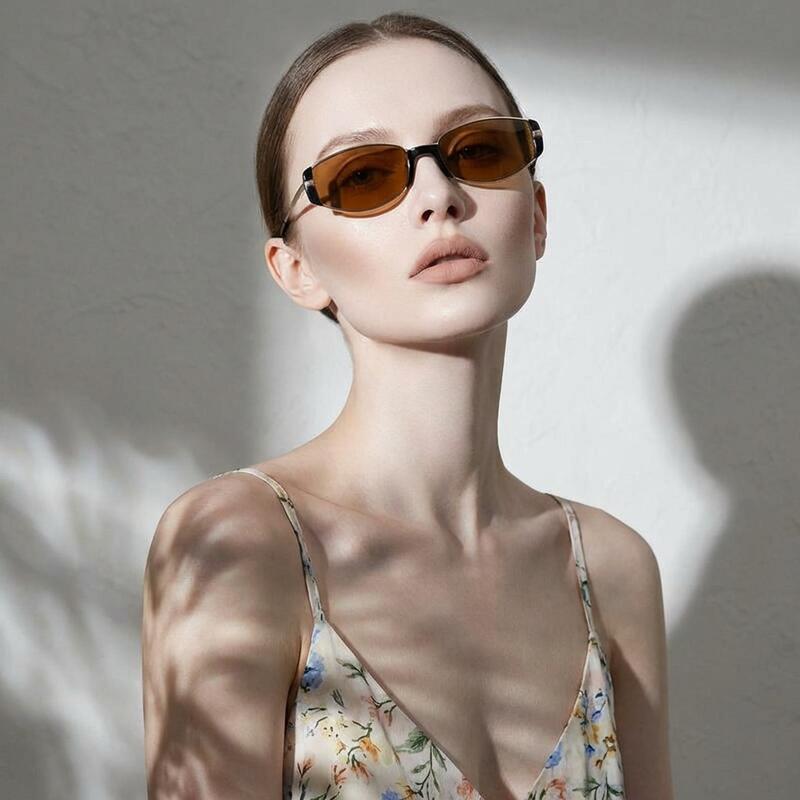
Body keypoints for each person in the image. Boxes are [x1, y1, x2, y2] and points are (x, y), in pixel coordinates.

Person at [141, 12, 674, 800]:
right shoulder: (240, 543)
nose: (439, 195)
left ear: (536, 215)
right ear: (295, 269)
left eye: (478, 151)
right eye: (364, 175)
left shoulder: (610, 568)